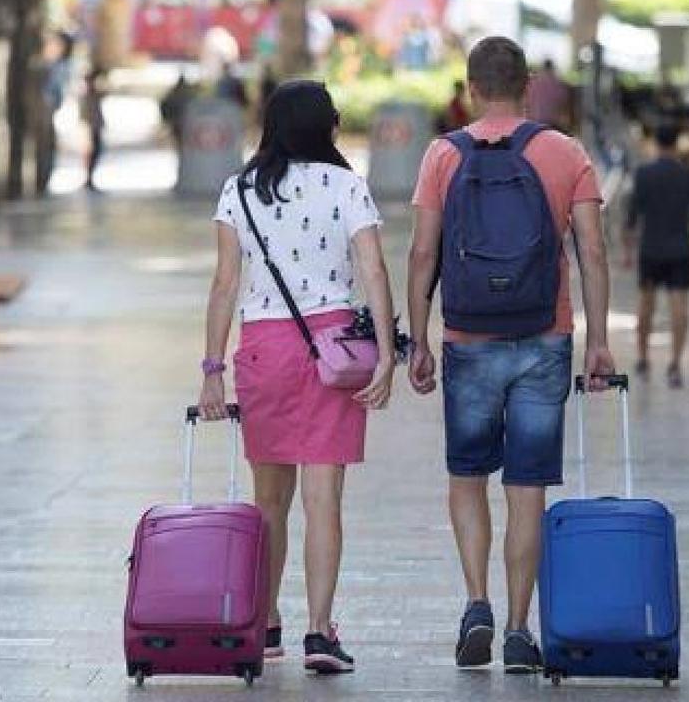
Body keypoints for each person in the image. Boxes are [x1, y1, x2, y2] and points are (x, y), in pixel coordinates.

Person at [407, 37, 615, 673]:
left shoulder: (443, 154)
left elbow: (423, 254)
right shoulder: (565, 152)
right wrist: (598, 340)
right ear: (528, 88)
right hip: (543, 337)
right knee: (527, 488)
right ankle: (521, 630)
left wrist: (419, 338)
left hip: (468, 339)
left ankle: (477, 603)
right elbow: (593, 252)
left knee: (467, 478)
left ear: (471, 90)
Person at [199, 80, 396, 675]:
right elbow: (373, 269)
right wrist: (386, 351)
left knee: (269, 502)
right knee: (323, 500)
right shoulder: (348, 187)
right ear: (327, 127)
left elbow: (225, 285)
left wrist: (212, 370)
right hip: (332, 351)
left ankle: (265, 624)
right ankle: (319, 631)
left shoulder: (239, 192)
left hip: (264, 349)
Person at [624, 123, 689, 388]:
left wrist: (628, 249)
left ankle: (642, 358)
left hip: (650, 249)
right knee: (679, 308)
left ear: (655, 142)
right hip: (680, 249)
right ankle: (674, 363)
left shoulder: (643, 174)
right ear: (677, 143)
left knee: (645, 306)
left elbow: (632, 215)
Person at [81, 67, 107, 191]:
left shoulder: (94, 94)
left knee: (96, 152)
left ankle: (90, 178)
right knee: (92, 153)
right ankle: (88, 178)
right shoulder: (88, 95)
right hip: (92, 128)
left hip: (95, 127)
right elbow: (86, 114)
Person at [526, 60, 570, 131]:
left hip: (533, 123)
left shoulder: (533, 82)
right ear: (552, 68)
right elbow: (563, 105)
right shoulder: (558, 83)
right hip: (551, 124)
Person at [160, 73, 195, 151]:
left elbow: (164, 105)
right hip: (185, 123)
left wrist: (167, 120)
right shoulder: (190, 95)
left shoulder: (172, 94)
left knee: (180, 142)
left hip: (177, 122)